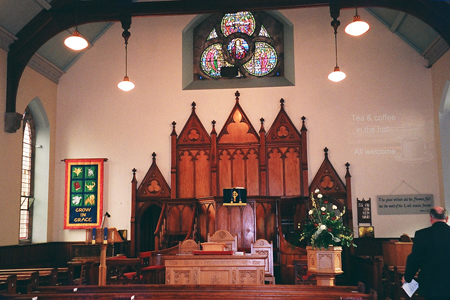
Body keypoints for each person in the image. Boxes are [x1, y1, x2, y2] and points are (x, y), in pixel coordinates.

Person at [402, 206, 450, 300]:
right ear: (447, 218)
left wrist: (407, 277)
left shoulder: (422, 235)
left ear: (431, 218)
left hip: (431, 285)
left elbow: (415, 259)